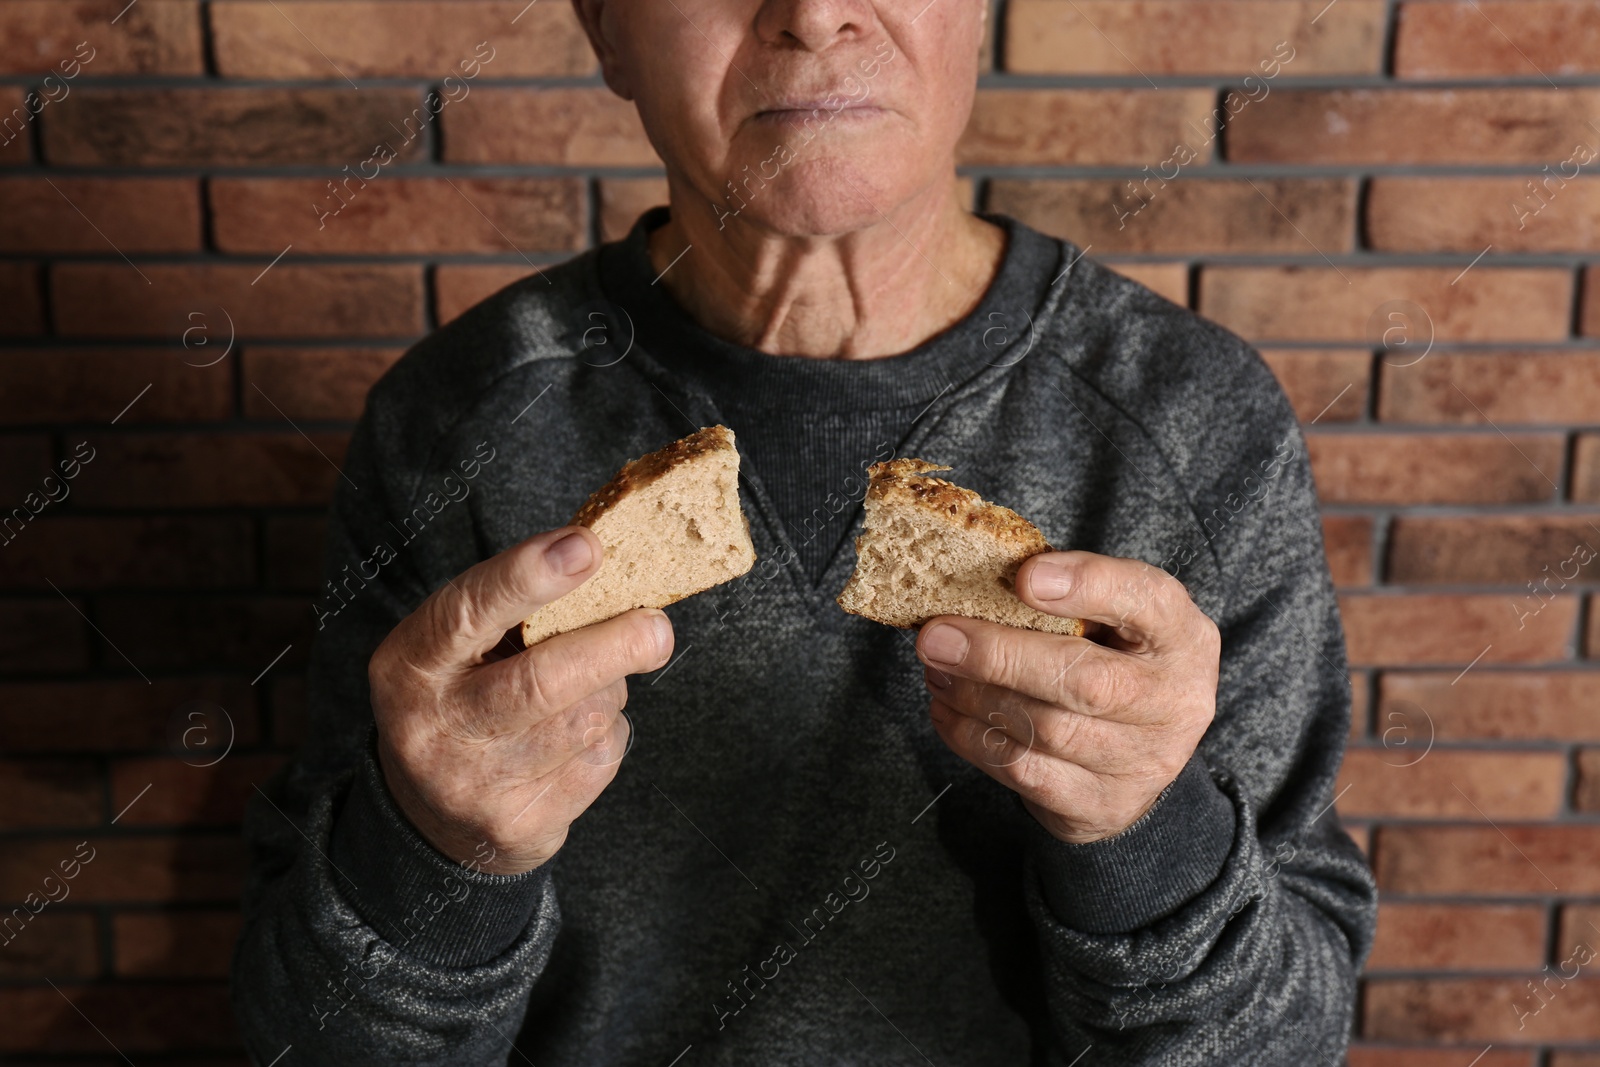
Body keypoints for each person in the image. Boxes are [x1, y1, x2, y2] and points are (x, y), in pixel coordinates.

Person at [232, 0, 1377, 1063]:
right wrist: (436, 852)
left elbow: (1292, 1036)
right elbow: (309, 1038)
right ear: (605, 30)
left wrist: (1146, 834)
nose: (813, 9)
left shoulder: (1195, 417)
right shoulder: (454, 420)